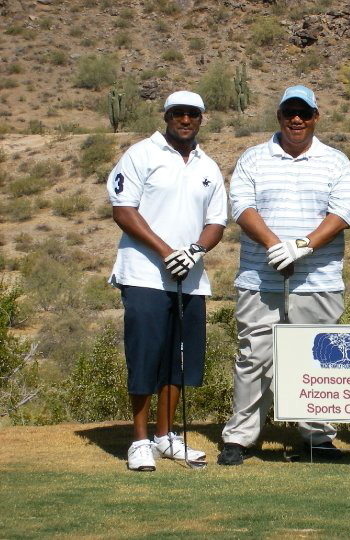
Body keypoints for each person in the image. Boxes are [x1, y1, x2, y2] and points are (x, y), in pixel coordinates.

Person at [217, 85, 350, 465]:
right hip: (259, 279)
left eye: (304, 113)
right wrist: (274, 245)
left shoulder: (336, 162)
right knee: (254, 357)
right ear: (279, 116)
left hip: (318, 280)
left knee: (320, 359)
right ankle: (240, 438)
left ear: (316, 117)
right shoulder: (253, 158)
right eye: (289, 113)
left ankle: (318, 437)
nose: (297, 119)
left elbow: (343, 213)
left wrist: (302, 246)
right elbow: (242, 207)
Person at [107, 90, 227, 471]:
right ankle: (140, 440)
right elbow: (123, 210)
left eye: (193, 114)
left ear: (201, 119)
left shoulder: (208, 166)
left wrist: (194, 250)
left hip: (190, 279)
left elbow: (217, 222)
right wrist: (165, 251)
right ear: (166, 116)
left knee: (179, 359)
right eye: (178, 113)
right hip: (144, 275)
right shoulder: (141, 154)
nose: (185, 120)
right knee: (145, 356)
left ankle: (165, 436)